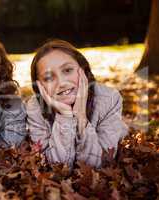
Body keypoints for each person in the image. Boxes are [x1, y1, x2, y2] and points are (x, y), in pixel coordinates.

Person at [26, 39, 128, 168]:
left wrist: (81, 117)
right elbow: (56, 169)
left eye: (67, 70)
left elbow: (98, 165)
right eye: (48, 78)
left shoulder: (109, 99)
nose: (62, 83)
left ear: (83, 69)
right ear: (40, 86)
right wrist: (65, 116)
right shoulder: (35, 107)